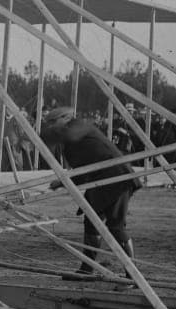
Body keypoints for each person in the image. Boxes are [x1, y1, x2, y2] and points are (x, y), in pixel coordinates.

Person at [39, 106, 139, 277]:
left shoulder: (76, 128)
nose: (51, 127)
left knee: (116, 226)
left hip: (116, 179)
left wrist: (63, 182)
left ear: (65, 118)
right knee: (92, 223)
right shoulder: (73, 133)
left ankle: (133, 275)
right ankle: (87, 270)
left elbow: (81, 165)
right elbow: (84, 165)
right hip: (101, 181)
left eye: (52, 123)